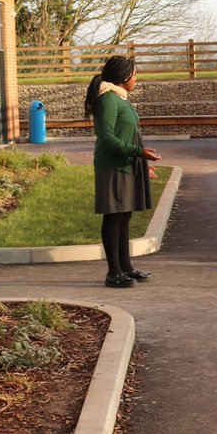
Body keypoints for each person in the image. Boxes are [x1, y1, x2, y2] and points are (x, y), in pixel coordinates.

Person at [84, 55, 161, 288]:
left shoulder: (121, 99)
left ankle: (126, 267)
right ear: (124, 76)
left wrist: (142, 162)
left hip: (127, 163)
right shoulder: (108, 99)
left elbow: (131, 134)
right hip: (112, 166)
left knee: (124, 214)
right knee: (114, 215)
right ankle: (113, 272)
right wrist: (138, 153)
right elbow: (106, 137)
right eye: (135, 74)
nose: (137, 78)